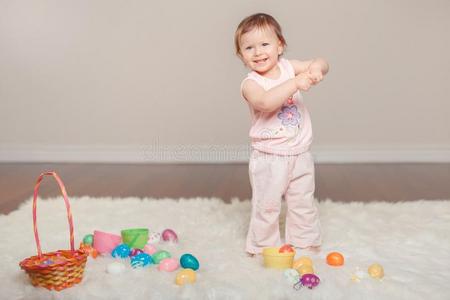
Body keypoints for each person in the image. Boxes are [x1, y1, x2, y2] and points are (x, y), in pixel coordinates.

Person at [234, 13, 329, 255]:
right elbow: (266, 102)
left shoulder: (288, 67)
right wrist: (297, 82)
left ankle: (305, 241)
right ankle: (264, 246)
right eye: (249, 48)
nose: (258, 52)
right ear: (241, 55)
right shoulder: (250, 84)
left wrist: (316, 69)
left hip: (300, 153)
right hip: (270, 157)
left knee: (303, 202)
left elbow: (320, 61)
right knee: (267, 205)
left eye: (265, 44)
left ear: (280, 46)